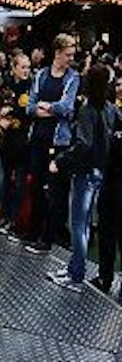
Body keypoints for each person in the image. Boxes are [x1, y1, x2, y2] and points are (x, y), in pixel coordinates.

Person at [50, 62, 113, 292]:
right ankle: (73, 269)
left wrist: (60, 160)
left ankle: (75, 274)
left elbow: (83, 144)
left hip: (86, 171)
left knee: (78, 224)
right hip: (101, 172)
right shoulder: (110, 108)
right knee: (84, 223)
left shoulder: (88, 109)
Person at [26, 33, 82, 254]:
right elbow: (30, 107)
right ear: (57, 52)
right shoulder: (40, 75)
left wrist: (44, 106)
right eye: (68, 54)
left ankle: (48, 237)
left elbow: (67, 108)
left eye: (72, 54)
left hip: (59, 142)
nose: (71, 58)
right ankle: (35, 230)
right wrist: (50, 108)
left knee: (55, 190)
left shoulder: (73, 77)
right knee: (36, 185)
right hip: (38, 137)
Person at [0, 52, 35, 237]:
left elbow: (30, 111)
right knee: (2, 183)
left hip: (23, 143)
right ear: (14, 68)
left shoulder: (32, 87)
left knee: (19, 185)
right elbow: (0, 105)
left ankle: (12, 219)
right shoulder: (7, 85)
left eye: (28, 67)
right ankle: (6, 214)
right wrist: (0, 114)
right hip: (7, 142)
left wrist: (14, 112)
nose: (26, 71)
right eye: (23, 67)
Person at [92, 72, 122, 297]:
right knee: (105, 229)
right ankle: (104, 276)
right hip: (110, 180)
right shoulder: (111, 112)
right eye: (119, 84)